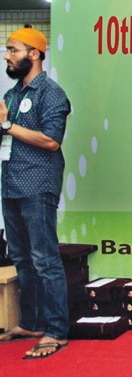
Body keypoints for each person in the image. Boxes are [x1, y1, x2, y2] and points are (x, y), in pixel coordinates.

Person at [0, 27, 71, 359]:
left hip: (37, 184)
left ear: (35, 54)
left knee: (44, 259)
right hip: (11, 183)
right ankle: (31, 321)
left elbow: (51, 140)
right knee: (21, 258)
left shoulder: (51, 94)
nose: (7, 55)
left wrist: (6, 126)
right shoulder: (12, 95)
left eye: (13, 49)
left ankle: (56, 330)